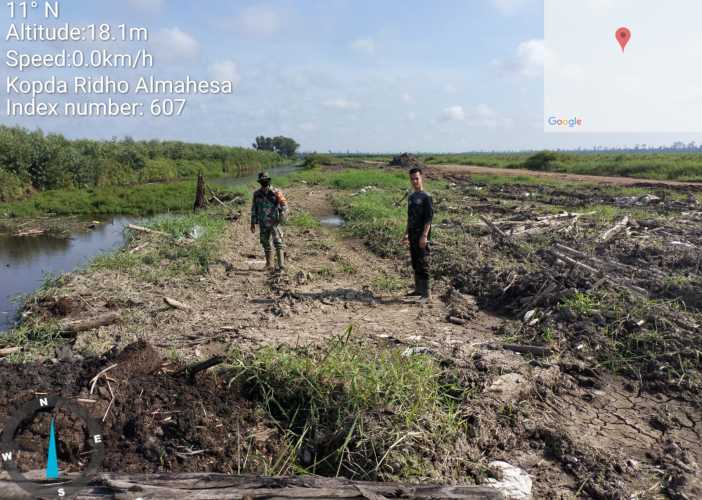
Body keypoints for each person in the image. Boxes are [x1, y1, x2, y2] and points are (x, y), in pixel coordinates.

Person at [401, 167, 433, 299]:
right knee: (415, 262)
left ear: (421, 178)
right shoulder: (412, 197)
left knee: (423, 262)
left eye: (416, 178)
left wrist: (424, 236)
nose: (414, 181)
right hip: (412, 234)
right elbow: (410, 217)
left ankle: (426, 295)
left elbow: (429, 218)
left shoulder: (427, 197)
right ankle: (418, 290)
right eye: (412, 179)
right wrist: (406, 233)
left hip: (421, 236)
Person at [250, 172, 288, 271]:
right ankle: (269, 264)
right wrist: (252, 222)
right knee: (265, 243)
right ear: (259, 182)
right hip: (262, 223)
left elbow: (284, 204)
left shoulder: (276, 192)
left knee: (278, 243)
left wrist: (283, 214)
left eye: (265, 180)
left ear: (269, 180)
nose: (264, 181)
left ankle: (281, 265)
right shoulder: (257, 194)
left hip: (274, 222)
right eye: (262, 180)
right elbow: (254, 209)